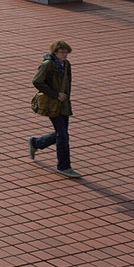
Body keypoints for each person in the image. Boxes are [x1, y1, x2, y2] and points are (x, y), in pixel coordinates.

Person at [29, 40, 79, 177]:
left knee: (61, 133)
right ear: (55, 52)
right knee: (63, 135)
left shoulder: (66, 65)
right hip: (52, 104)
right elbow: (36, 81)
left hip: (63, 104)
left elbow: (67, 84)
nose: (65, 55)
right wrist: (55, 94)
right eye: (62, 52)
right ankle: (64, 166)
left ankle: (36, 143)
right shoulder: (48, 65)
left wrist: (65, 99)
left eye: (66, 53)